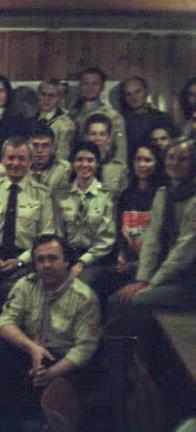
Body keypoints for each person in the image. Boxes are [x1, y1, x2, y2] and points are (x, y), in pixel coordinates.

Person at [0, 234, 101, 425]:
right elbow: (2, 323)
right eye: (40, 260)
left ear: (66, 261)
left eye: (53, 258)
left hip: (64, 361)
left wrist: (52, 372)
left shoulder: (84, 297)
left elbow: (84, 349)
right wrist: (32, 348)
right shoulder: (25, 285)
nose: (46, 265)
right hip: (31, 352)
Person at [111, 138, 196, 329]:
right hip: (166, 271)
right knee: (116, 296)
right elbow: (152, 240)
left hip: (188, 278)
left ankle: (145, 349)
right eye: (171, 157)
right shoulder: (164, 193)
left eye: (182, 158)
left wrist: (152, 284)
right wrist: (142, 279)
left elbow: (183, 253)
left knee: (137, 301)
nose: (175, 163)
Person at [0, 136, 55, 318]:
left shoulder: (42, 195)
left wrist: (20, 261)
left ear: (30, 161)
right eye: (11, 158)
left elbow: (46, 238)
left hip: (26, 260)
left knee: (11, 291)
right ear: (2, 160)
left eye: (21, 158)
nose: (15, 163)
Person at [54, 142, 116, 298]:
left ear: (97, 163)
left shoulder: (107, 195)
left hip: (95, 259)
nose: (85, 164)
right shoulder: (61, 194)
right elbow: (58, 232)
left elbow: (106, 239)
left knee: (80, 284)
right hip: (67, 256)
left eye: (90, 160)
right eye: (80, 160)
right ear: (72, 163)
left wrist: (82, 262)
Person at [113, 143, 164, 286]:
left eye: (147, 160)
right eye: (138, 159)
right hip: (128, 261)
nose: (142, 164)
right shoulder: (125, 195)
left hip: (152, 265)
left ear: (157, 163)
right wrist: (121, 255)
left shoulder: (162, 195)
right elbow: (121, 231)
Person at [71, 67, 128, 163]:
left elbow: (120, 154)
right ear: (80, 86)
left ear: (102, 87)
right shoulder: (72, 115)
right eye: (86, 83)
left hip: (105, 166)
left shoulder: (113, 117)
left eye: (95, 84)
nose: (90, 88)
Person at [119, 76, 175, 165]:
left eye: (137, 92)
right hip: (129, 168)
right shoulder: (120, 120)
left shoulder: (162, 118)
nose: (134, 97)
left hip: (158, 167)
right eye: (128, 94)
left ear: (146, 91)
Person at [83, 113, 129, 197]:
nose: (97, 138)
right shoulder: (78, 166)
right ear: (86, 137)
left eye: (102, 134)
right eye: (93, 134)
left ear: (109, 138)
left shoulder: (119, 169)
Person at [33, 79, 76, 160]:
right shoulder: (32, 119)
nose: (46, 99)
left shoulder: (65, 124)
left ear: (59, 98)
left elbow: (62, 157)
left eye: (51, 95)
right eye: (43, 94)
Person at [28, 121, 72, 195]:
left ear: (53, 147)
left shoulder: (64, 170)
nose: (40, 150)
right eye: (35, 145)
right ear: (28, 146)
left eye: (45, 145)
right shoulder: (21, 169)